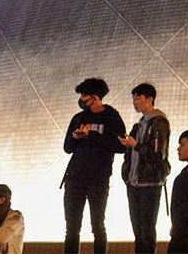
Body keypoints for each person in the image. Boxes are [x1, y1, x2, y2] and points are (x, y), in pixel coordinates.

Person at [62, 78, 126, 254]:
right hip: (74, 179)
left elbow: (121, 146)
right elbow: (67, 148)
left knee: (98, 226)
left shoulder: (112, 117)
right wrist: (75, 137)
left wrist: (93, 135)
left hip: (98, 180)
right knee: (72, 229)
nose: (82, 100)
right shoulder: (78, 118)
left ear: (96, 98)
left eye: (85, 97)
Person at [119, 83, 171, 254]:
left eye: (138, 98)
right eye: (133, 98)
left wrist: (136, 145)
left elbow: (157, 157)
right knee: (138, 231)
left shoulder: (159, 123)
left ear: (150, 99)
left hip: (149, 183)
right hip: (134, 183)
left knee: (147, 230)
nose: (135, 102)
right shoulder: (139, 125)